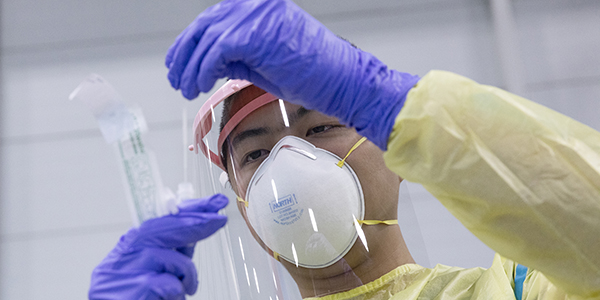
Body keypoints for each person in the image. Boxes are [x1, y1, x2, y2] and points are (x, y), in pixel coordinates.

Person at [89, 0, 600, 299]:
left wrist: (396, 103)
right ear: (241, 205)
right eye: (254, 155)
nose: (289, 167)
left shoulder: (518, 287)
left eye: (319, 130)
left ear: (395, 148)